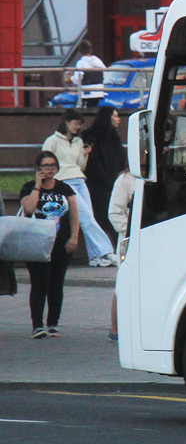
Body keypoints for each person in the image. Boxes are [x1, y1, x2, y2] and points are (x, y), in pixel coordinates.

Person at [41, 108, 116, 266]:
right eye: (75, 123)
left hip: (79, 181)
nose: (78, 127)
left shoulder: (78, 141)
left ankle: (96, 257)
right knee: (86, 218)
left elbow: (80, 166)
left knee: (88, 218)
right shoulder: (52, 141)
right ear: (66, 123)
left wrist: (85, 155)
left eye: (80, 124)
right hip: (65, 182)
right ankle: (106, 251)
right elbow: (44, 161)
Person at [18, 151, 80, 339]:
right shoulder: (28, 187)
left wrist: (74, 237)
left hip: (60, 243)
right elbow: (29, 208)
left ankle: (53, 323)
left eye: (53, 165)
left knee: (56, 283)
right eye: (45, 166)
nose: (50, 169)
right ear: (38, 169)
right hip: (35, 243)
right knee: (39, 283)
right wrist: (37, 186)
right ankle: (37, 325)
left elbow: (74, 215)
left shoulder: (65, 189)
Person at [82, 106, 127, 245]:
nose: (118, 119)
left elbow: (120, 158)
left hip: (109, 182)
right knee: (101, 217)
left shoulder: (113, 136)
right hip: (97, 184)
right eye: (115, 116)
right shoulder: (91, 136)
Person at [107, 169, 136, 343]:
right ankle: (115, 328)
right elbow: (114, 213)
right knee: (124, 283)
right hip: (130, 240)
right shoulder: (124, 180)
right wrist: (132, 230)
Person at [70, 40, 106, 107]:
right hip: (99, 91)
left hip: (87, 92)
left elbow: (77, 79)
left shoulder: (81, 63)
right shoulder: (98, 61)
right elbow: (105, 73)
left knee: (87, 110)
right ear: (91, 50)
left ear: (80, 52)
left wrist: (71, 78)